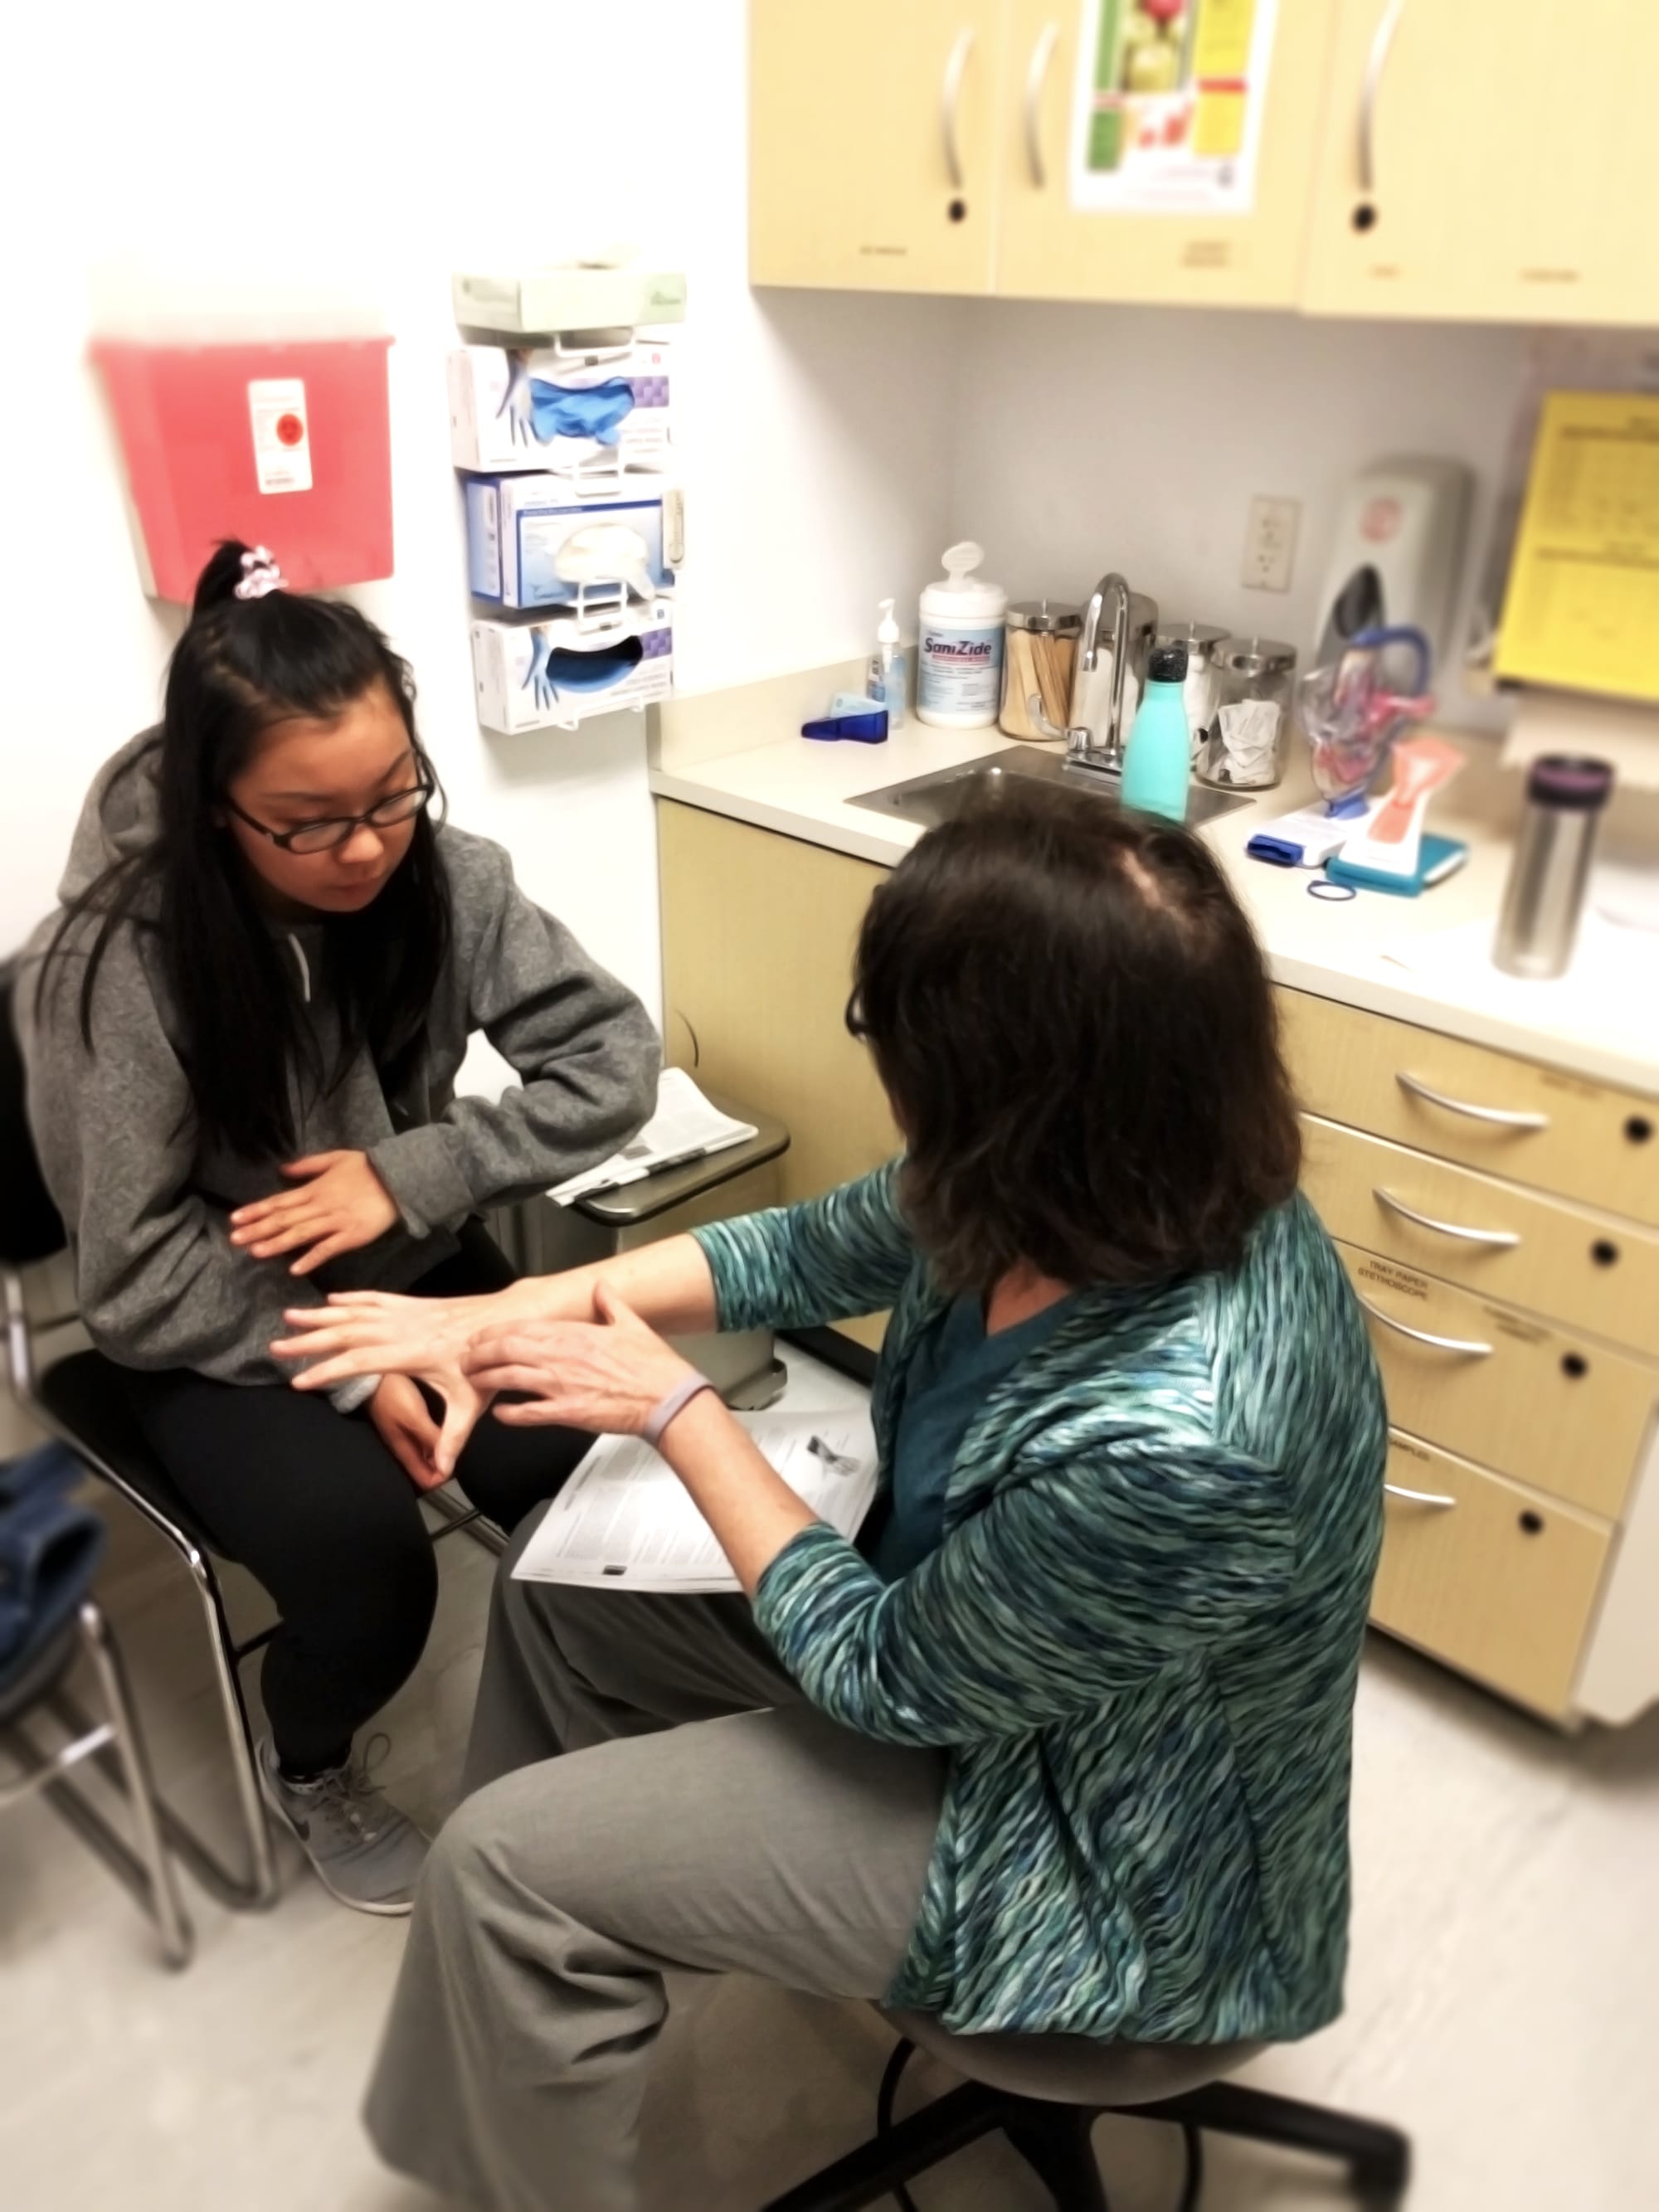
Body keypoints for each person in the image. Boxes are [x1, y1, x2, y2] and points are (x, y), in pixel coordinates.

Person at [278, 782, 1387, 2212]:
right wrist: (484, 1317)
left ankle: (528, 1957)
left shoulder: (1182, 1437)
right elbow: (802, 1252)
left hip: (1106, 1868)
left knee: (499, 1869)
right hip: (982, 1670)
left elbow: (882, 1674)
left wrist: (677, 1413)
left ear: (1011, 1083)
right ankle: (543, 2001)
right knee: (562, 1585)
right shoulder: (1093, 1168)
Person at [14, 541, 659, 1916]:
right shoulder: (115, 966)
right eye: (306, 823)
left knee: (584, 1464)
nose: (364, 848)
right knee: (369, 1576)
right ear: (214, 807)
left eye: (391, 797)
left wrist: (413, 1173)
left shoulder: (448, 878)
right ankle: (308, 1766)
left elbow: (614, 1065)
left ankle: (583, 1705)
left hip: (406, 1263)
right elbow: (130, 1275)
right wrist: (364, 1369)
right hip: (214, 1308)